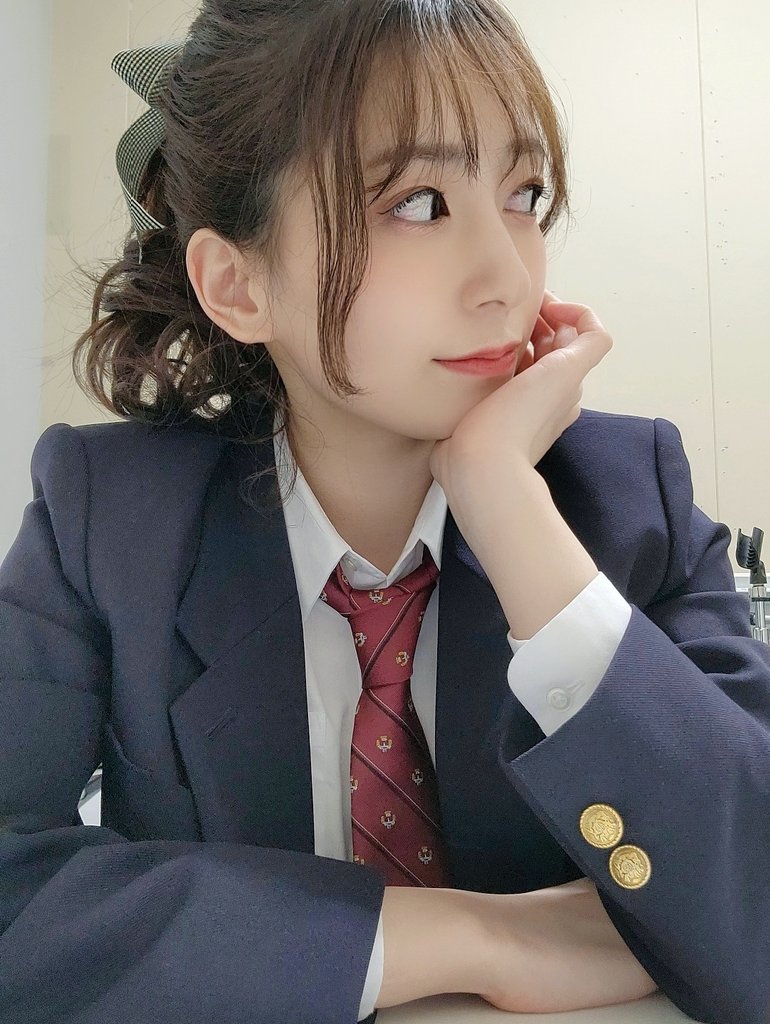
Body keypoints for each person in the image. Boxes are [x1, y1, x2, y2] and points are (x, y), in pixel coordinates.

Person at [1, 2, 768, 1022]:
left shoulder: (628, 497)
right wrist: (464, 936)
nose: (508, 279)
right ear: (238, 284)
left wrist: (504, 500)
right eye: (419, 202)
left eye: (524, 194)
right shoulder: (109, 519)